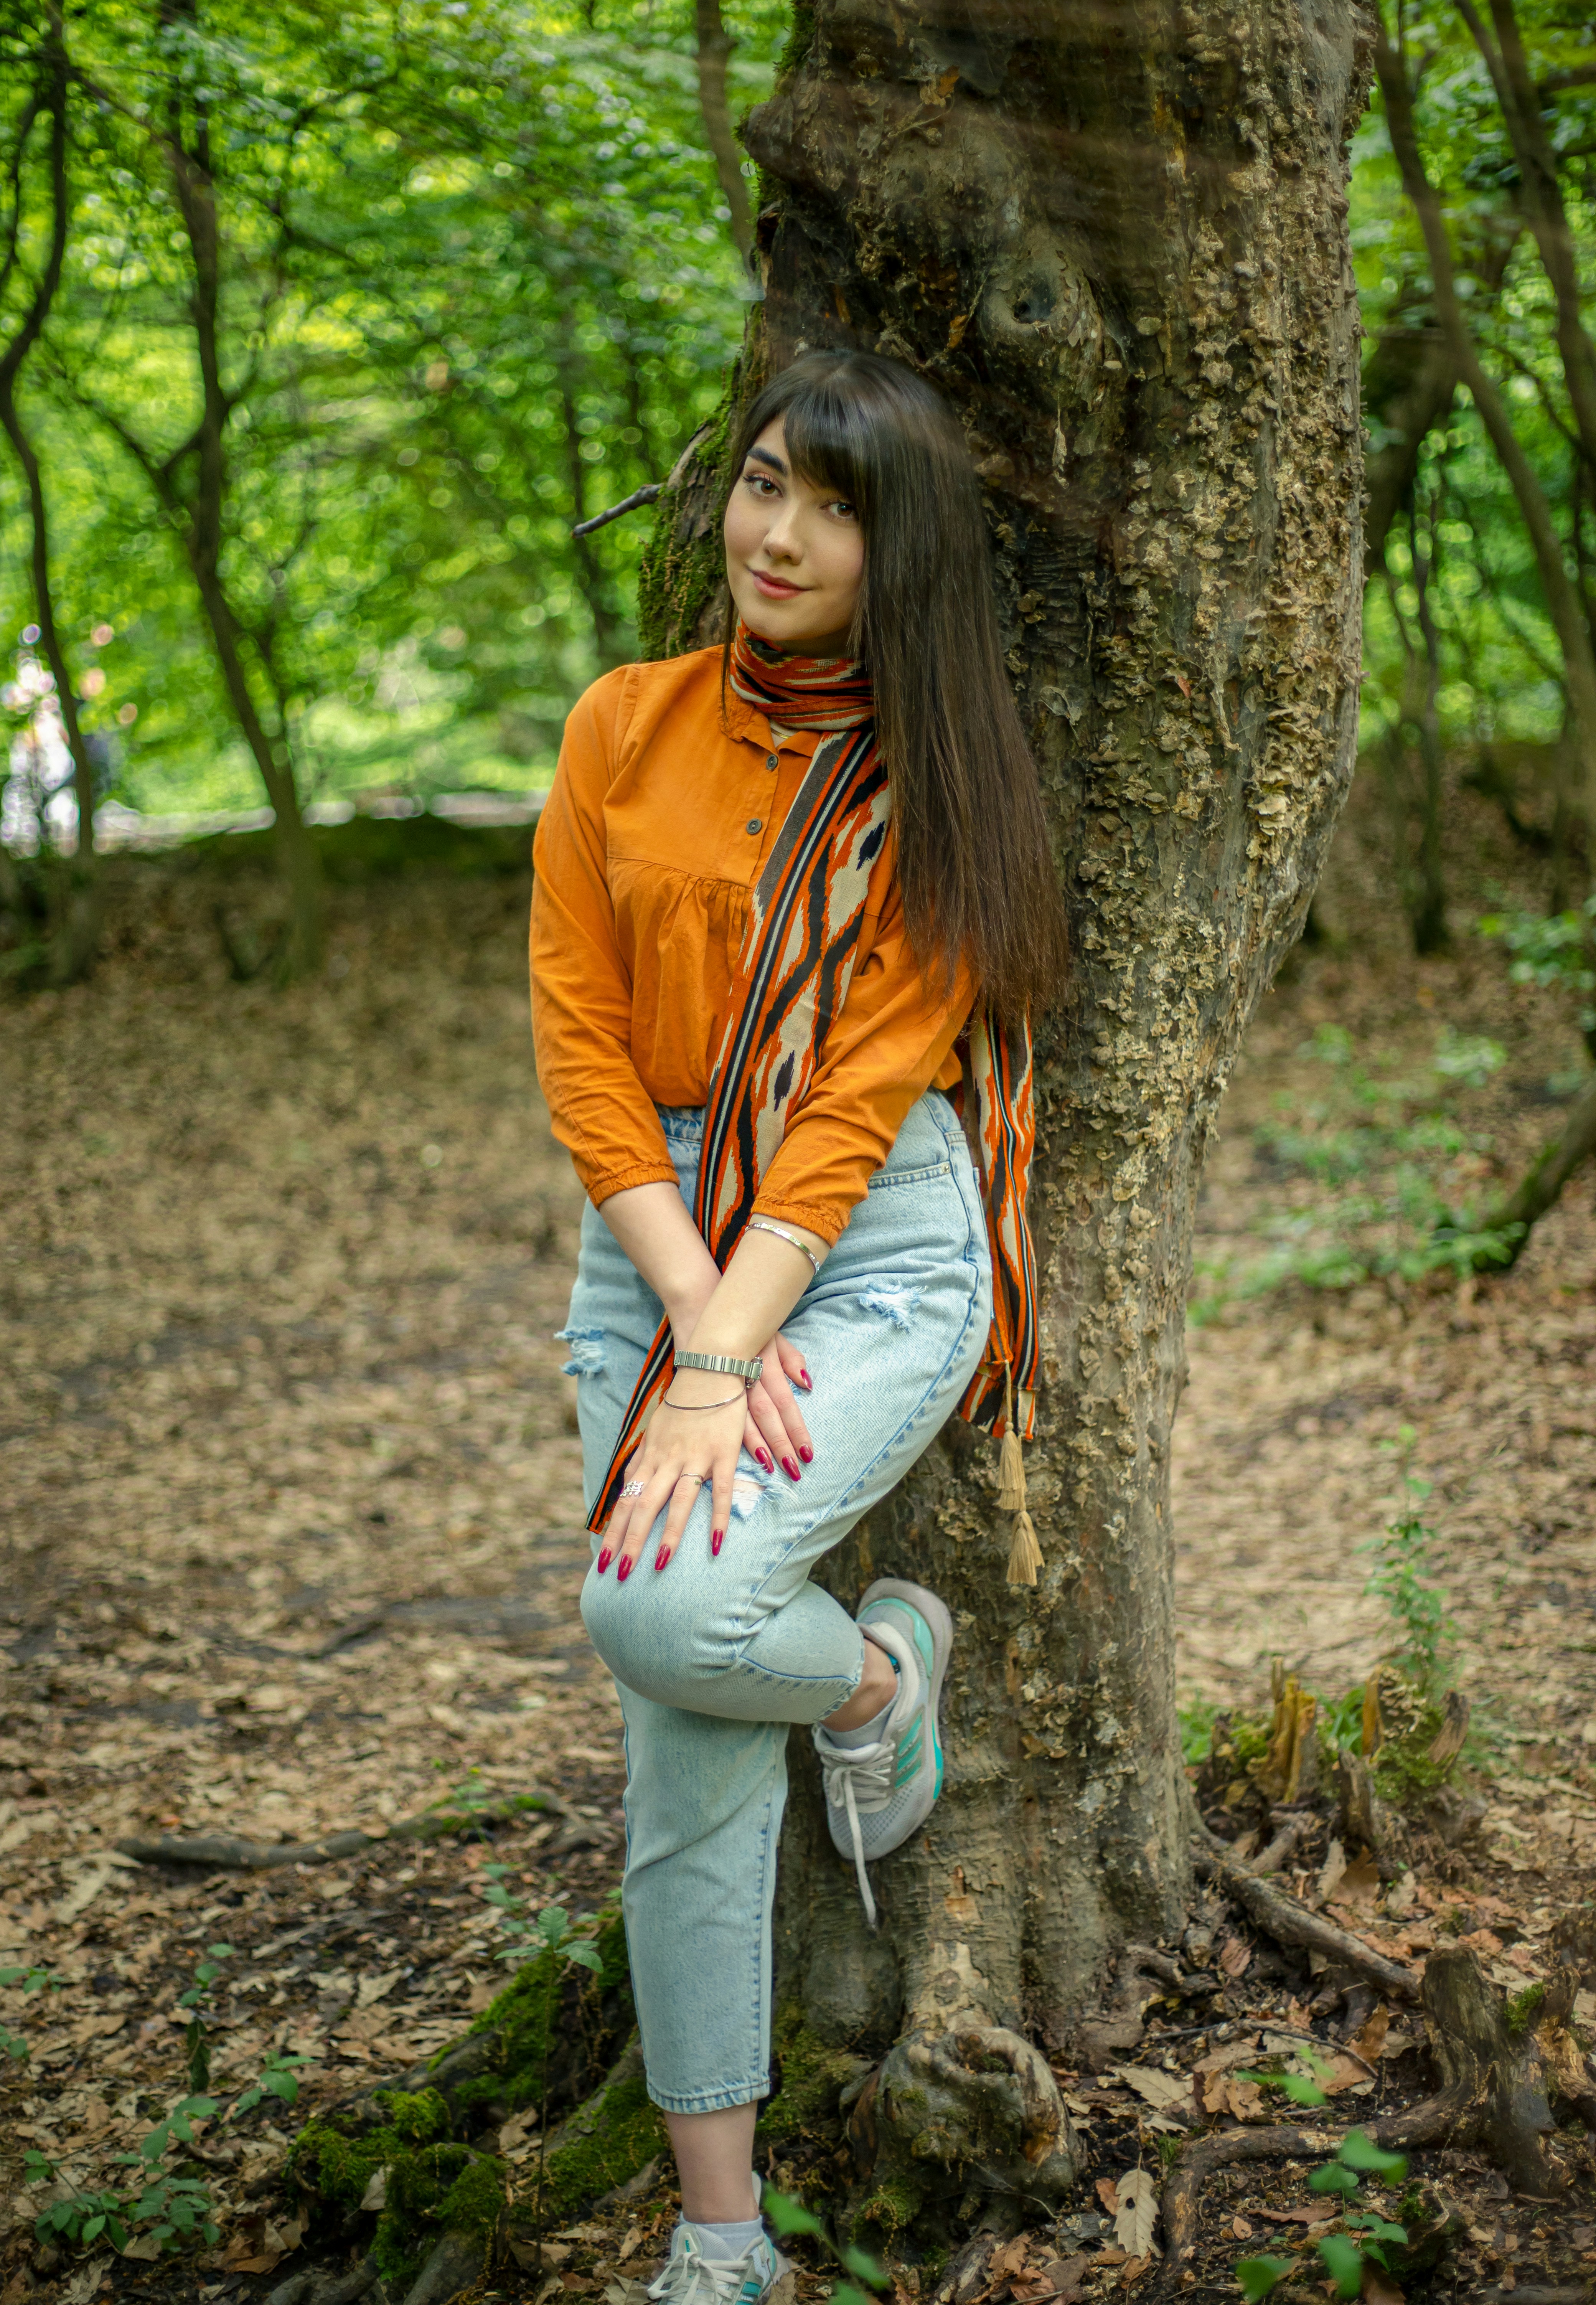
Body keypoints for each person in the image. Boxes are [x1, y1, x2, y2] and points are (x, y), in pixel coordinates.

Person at [529, 349, 1068, 2305]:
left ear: (895, 554)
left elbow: (848, 1114)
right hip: (657, 1228)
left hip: (865, 1243)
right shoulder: (621, 727)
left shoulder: (943, 792)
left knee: (660, 1614)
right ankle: (722, 2233)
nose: (778, 534)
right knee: (677, 1715)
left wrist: (735, 1348)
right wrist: (688, 1317)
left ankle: (866, 1682)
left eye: (833, 509)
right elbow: (582, 1043)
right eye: (765, 484)